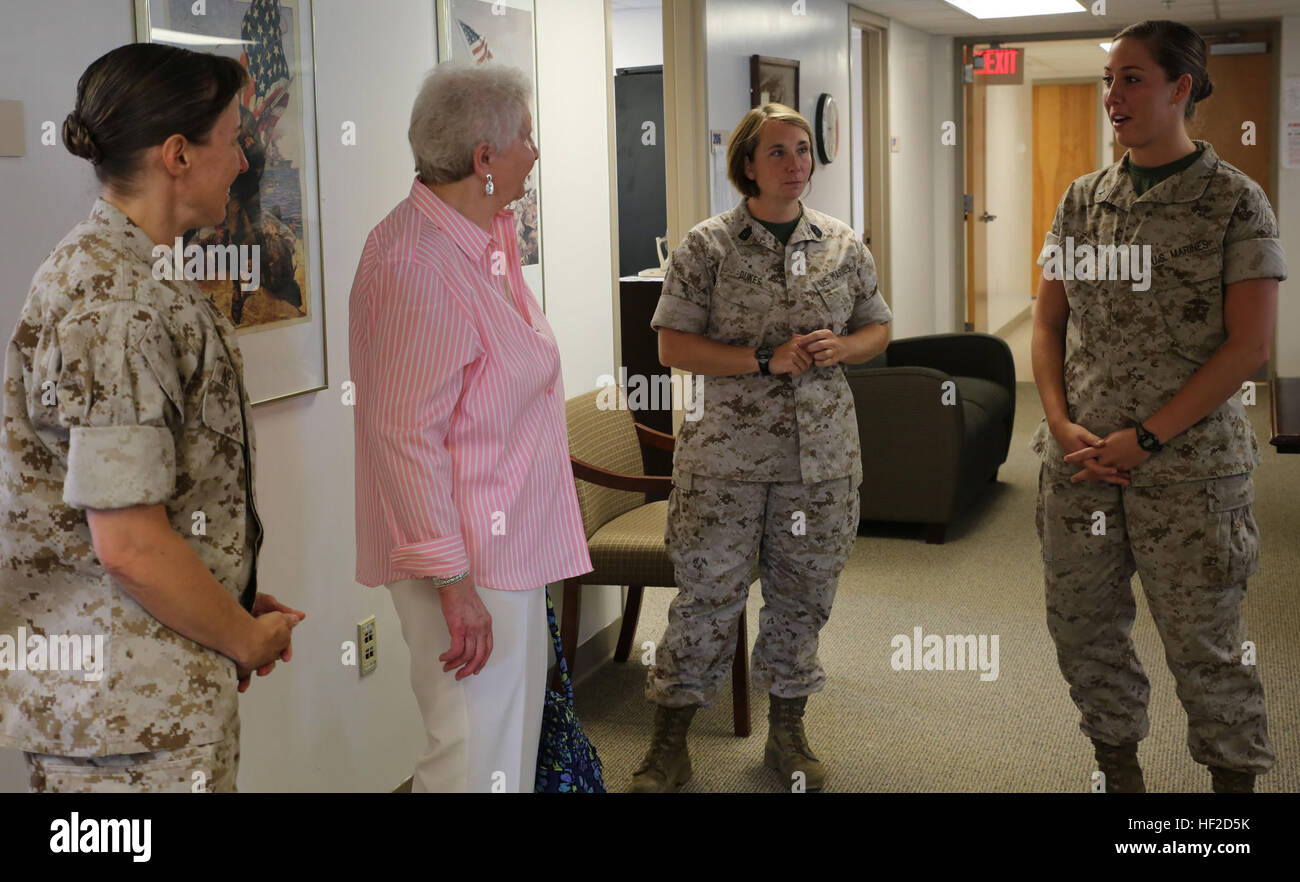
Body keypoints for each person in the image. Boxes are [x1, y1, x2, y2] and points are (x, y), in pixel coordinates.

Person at [0, 43, 304, 793]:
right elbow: (130, 545)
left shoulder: (129, 273)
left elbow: (149, 504)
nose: (241, 159)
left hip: (140, 696)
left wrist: (221, 590)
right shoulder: (121, 304)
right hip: (129, 727)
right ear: (178, 155)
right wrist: (243, 636)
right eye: (233, 139)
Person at [1031, 19, 1284, 793]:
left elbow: (1248, 349)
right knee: (1085, 636)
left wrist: (1148, 437)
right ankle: (1120, 778)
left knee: (1205, 645)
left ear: (1182, 87)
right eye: (1109, 78)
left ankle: (1233, 799)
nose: (1114, 95)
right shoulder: (1082, 201)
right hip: (1081, 469)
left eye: (1132, 78)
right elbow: (1046, 322)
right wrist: (1055, 419)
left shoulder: (1234, 203)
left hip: (1189, 476)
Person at [349, 63, 592, 793]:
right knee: (470, 758)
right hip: (466, 566)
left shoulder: (484, 238)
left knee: (504, 758)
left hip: (508, 548)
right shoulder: (413, 263)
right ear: (484, 158)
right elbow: (401, 437)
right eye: (526, 135)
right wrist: (453, 586)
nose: (537, 150)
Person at [636, 103, 892, 792]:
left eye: (803, 150)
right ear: (747, 164)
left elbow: (879, 329)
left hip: (822, 460)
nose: (795, 163)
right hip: (726, 459)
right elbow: (670, 346)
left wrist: (844, 346)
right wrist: (761, 358)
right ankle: (669, 743)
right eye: (778, 152)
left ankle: (787, 733)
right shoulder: (707, 246)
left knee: (803, 596)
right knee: (706, 597)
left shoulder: (841, 242)